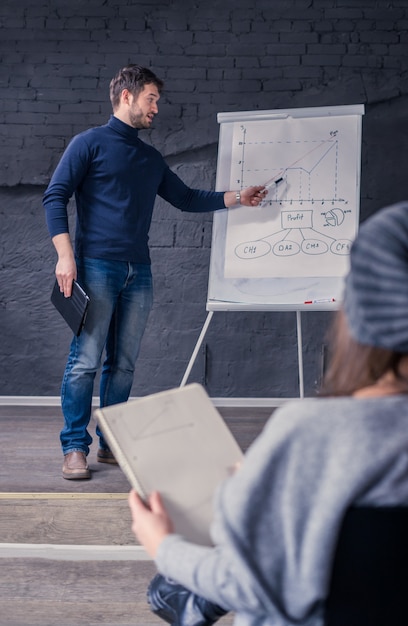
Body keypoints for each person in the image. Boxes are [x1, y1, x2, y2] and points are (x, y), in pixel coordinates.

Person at [128, 200, 408, 626]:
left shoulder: (313, 435)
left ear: (366, 308)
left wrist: (163, 545)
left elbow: (249, 586)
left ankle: (192, 598)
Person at [43, 64, 266, 480]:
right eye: (151, 99)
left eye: (157, 101)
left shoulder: (149, 157)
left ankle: (112, 444)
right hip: (95, 267)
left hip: (137, 272)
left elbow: (185, 197)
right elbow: (54, 197)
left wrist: (239, 198)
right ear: (126, 97)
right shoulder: (88, 144)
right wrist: (65, 255)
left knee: (123, 365)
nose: (156, 108)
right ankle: (75, 447)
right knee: (85, 362)